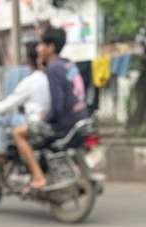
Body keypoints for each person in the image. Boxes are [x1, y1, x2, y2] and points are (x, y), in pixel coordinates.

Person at [0, 42, 51, 183]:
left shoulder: (30, 82)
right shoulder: (51, 77)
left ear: (28, 61)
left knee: (1, 119)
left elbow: (5, 106)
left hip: (35, 123)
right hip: (49, 121)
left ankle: (0, 152)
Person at [36, 26, 88, 188]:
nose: (39, 48)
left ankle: (39, 178)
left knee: (34, 135)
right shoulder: (68, 64)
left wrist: (44, 119)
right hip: (82, 118)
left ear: (51, 47)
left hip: (67, 122)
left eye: (42, 44)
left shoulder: (53, 68)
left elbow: (57, 106)